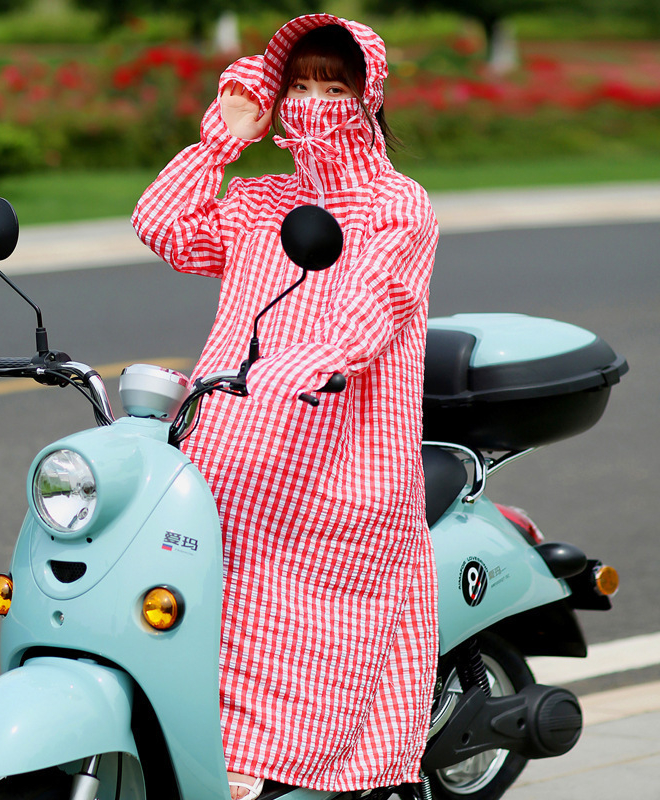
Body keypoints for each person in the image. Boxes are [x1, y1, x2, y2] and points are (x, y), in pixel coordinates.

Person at [132, 14, 439, 800]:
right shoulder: (259, 199)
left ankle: (290, 762)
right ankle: (204, 741)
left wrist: (293, 370)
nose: (312, 104)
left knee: (310, 614)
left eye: (333, 88)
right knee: (205, 593)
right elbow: (163, 228)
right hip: (231, 437)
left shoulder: (398, 205)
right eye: (298, 86)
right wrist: (223, 139)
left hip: (341, 445)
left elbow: (371, 310)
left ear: (369, 98)